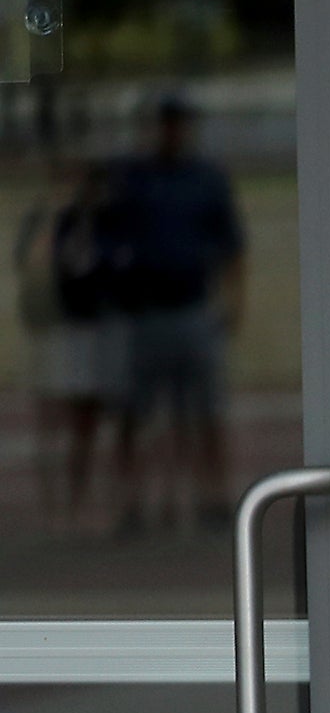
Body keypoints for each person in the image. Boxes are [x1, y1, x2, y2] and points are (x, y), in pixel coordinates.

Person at [110, 95, 245, 532]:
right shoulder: (134, 178)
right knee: (135, 412)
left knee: (204, 412)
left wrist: (234, 300)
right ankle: (132, 501)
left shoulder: (205, 179)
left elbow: (231, 244)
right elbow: (110, 237)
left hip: (192, 305)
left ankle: (213, 495)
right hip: (146, 309)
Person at [14, 161, 126, 531]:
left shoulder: (111, 223)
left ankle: (106, 498)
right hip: (63, 329)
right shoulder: (56, 221)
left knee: (101, 418)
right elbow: (35, 265)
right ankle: (64, 500)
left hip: (103, 327)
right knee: (63, 417)